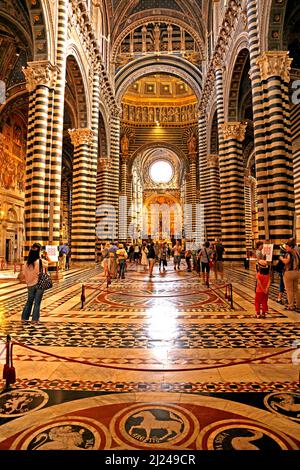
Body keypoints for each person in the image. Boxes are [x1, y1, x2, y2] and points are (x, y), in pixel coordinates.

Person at [21, 246, 50, 324]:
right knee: (37, 302)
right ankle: (35, 319)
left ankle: (24, 317)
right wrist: (45, 255)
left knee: (29, 301)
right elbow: (49, 262)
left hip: (30, 284)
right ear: (38, 253)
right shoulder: (40, 261)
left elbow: (23, 274)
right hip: (39, 284)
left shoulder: (26, 263)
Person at [280, 239, 300, 311]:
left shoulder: (289, 253)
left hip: (289, 273)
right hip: (297, 272)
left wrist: (281, 258)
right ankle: (298, 305)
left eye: (287, 246)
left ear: (290, 246)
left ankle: (291, 305)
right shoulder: (297, 252)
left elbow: (286, 262)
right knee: (296, 290)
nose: (286, 247)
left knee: (289, 290)